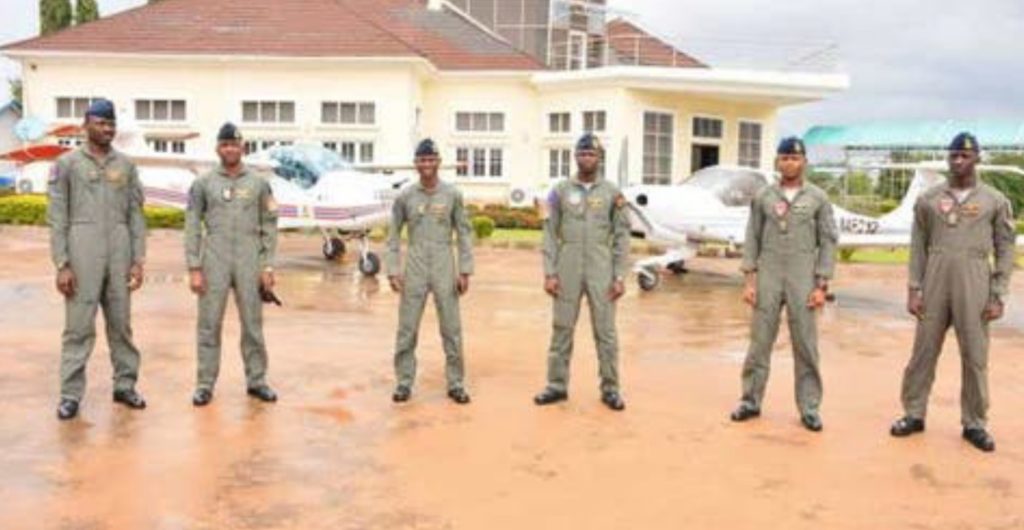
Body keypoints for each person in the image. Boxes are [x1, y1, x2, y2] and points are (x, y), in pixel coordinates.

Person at [890, 132, 1016, 452]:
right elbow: (918, 246)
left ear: (978, 159)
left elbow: (1005, 248)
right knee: (923, 353)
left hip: (974, 280)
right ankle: (913, 413)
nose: (958, 160)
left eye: (965, 155)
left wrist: (998, 293)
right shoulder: (929, 200)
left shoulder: (994, 200)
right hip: (935, 277)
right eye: (954, 155)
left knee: (975, 355)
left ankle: (974, 422)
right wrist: (914, 288)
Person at [48, 98, 148, 420]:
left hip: (119, 255)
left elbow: (135, 215)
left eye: (111, 124)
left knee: (121, 325)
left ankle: (125, 385)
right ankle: (70, 395)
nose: (108, 129)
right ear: (86, 124)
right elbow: (57, 216)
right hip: (82, 254)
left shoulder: (126, 166)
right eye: (101, 123)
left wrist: (137, 259)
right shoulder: (67, 165)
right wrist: (62, 263)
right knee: (78, 329)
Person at [730, 137, 837, 432]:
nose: (790, 162)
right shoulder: (764, 196)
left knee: (806, 345)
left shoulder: (818, 198)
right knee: (759, 342)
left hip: (803, 277)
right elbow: (752, 236)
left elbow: (828, 241)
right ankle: (750, 400)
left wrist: (821, 285)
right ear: (777, 162)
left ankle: (810, 407)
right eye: (785, 158)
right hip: (769, 275)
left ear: (804, 162)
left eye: (795, 158)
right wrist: (749, 280)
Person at [533, 132, 631, 411]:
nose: (586, 158)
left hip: (601, 266)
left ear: (599, 158)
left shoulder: (613, 193)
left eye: (591, 154)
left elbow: (622, 236)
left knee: (606, 331)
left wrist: (620, 276)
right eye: (582, 153)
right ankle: (556, 385)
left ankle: (610, 389)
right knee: (561, 328)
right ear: (575, 157)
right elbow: (550, 233)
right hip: (568, 265)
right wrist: (549, 272)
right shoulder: (560, 190)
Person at [185, 123, 279, 407]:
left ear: (243, 148)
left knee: (252, 324)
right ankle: (204, 384)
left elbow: (270, 225)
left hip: (250, 259)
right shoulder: (203, 184)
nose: (230, 149)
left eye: (234, 144)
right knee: (208, 324)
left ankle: (257, 380)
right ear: (218, 148)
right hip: (214, 258)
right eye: (225, 144)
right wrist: (194, 267)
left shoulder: (259, 184)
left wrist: (268, 266)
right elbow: (192, 226)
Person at [386, 139, 474, 404]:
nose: (426, 165)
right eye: (422, 160)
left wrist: (465, 270)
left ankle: (456, 383)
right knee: (407, 328)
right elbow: (393, 235)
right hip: (414, 263)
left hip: (444, 262)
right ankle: (403, 382)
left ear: (438, 162)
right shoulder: (405, 197)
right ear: (416, 164)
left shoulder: (452, 195)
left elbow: (465, 233)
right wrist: (393, 269)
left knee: (451, 327)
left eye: (431, 160)